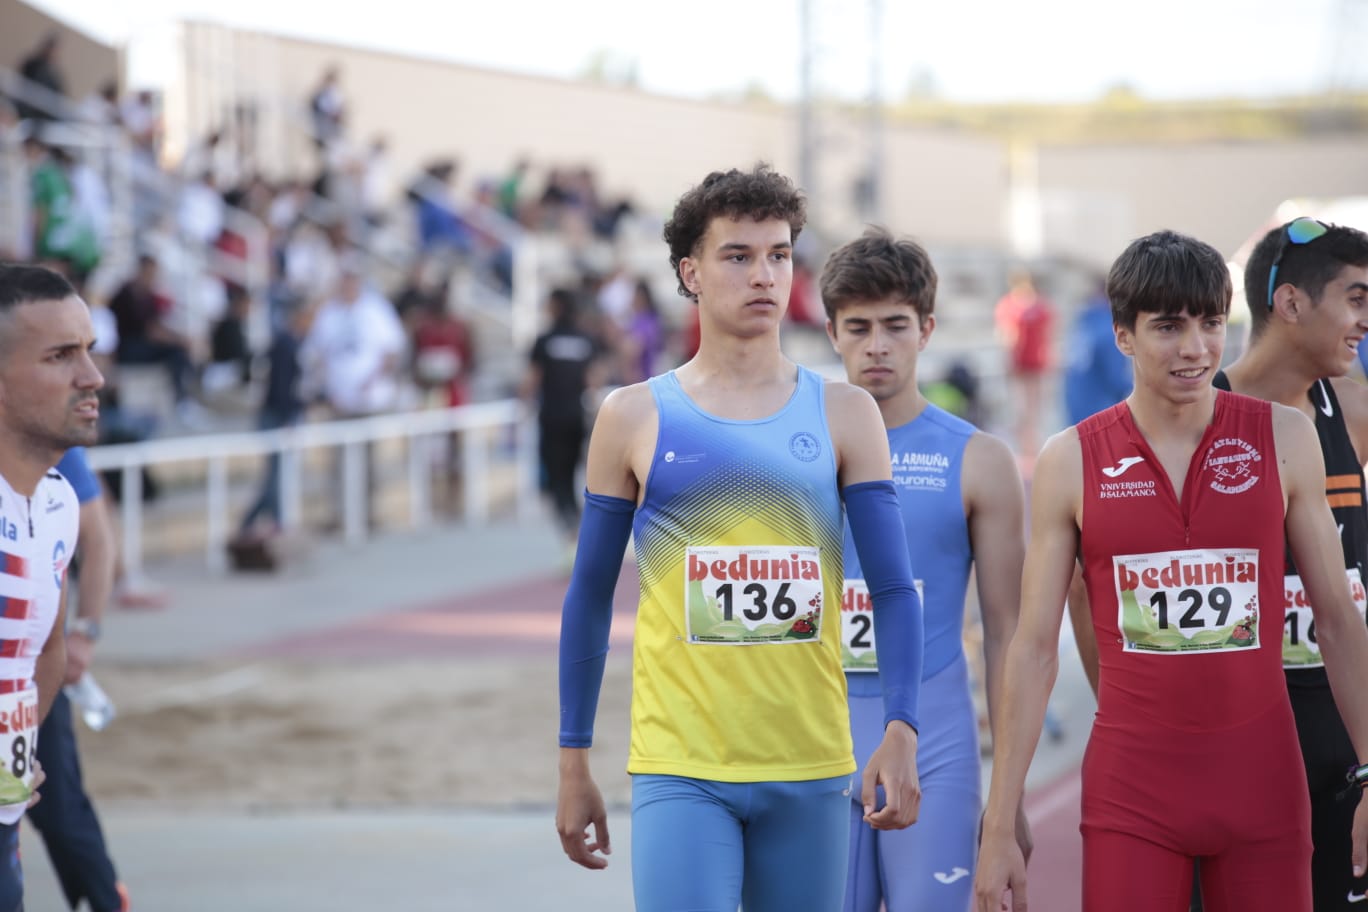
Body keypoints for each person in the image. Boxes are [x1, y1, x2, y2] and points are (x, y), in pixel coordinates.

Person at [554, 165, 925, 912]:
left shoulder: (847, 413)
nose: (764, 275)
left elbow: (891, 587)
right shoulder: (632, 417)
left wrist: (902, 727)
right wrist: (573, 760)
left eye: (779, 254)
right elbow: (590, 595)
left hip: (810, 764)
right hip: (680, 767)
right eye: (738, 256)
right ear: (690, 272)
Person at [975, 230, 1368, 912]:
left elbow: (1336, 619)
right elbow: (1035, 648)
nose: (1194, 349)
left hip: (1265, 789)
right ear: (1122, 335)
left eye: (1210, 324)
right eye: (1168, 327)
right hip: (1134, 795)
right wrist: (1000, 816)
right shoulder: (1072, 460)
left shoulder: (1284, 438)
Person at [820, 228, 1030, 911]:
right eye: (858, 327)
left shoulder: (979, 460)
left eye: (895, 326)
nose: (876, 345)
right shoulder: (795, 454)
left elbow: (1006, 636)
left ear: (927, 329)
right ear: (832, 333)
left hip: (936, 739)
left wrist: (1008, 799)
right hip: (813, 736)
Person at [0, 262, 104, 910]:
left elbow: (45, 652)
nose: (92, 377)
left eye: (89, 351)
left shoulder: (60, 502)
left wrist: (18, 751)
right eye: (61, 356)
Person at [27, 448, 129, 912]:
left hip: (25, 676)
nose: (89, 380)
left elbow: (99, 541)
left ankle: (105, 898)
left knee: (56, 806)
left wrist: (84, 632)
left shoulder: (49, 441)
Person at [522, 288, 602, 548]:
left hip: (552, 418)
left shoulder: (544, 341)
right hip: (576, 417)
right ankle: (578, 526)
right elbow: (593, 381)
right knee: (575, 472)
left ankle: (571, 530)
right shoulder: (585, 340)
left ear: (555, 307)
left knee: (558, 479)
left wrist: (521, 399)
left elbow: (532, 380)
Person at [994, 270, 1055, 466]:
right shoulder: (1013, 306)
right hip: (1025, 364)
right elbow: (1008, 335)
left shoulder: (1032, 306)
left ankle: (1031, 449)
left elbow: (1046, 335)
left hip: (1033, 364)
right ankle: (1028, 449)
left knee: (1031, 410)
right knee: (1025, 410)